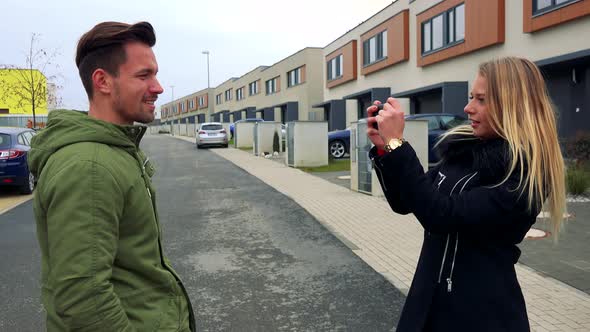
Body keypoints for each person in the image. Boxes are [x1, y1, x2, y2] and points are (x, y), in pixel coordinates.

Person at [366, 57, 566, 331]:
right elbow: (406, 201)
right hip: (427, 301)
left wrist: (398, 144)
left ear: (513, 106)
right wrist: (385, 149)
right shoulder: (463, 153)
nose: (468, 107)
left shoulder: (524, 174)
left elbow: (441, 215)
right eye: (472, 97)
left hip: (479, 314)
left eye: (481, 100)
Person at [29, 21, 195, 331]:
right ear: (103, 81)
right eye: (144, 75)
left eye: (155, 74)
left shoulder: (114, 150)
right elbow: (83, 299)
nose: (158, 87)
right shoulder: (89, 167)